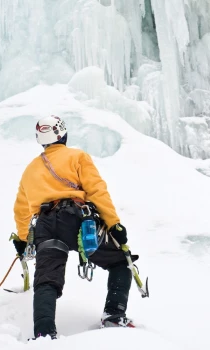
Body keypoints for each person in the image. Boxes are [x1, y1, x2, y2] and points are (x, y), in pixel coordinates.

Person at [12, 115, 137, 340]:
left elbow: (21, 210)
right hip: (76, 220)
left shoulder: (30, 170)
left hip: (44, 225)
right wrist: (114, 224)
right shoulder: (77, 157)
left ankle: (44, 333)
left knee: (46, 280)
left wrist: (23, 241)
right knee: (120, 262)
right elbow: (97, 191)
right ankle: (113, 316)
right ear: (62, 134)